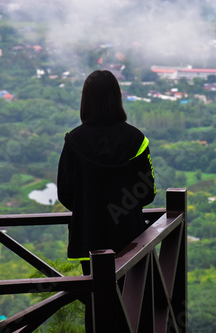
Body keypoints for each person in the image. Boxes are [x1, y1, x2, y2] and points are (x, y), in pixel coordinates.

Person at [57, 70, 156, 329]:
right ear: (117, 98)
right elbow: (147, 192)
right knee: (133, 308)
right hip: (131, 240)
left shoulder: (73, 141)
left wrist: (89, 207)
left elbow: (65, 194)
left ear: (85, 100)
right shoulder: (137, 140)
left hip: (88, 240)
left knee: (96, 308)